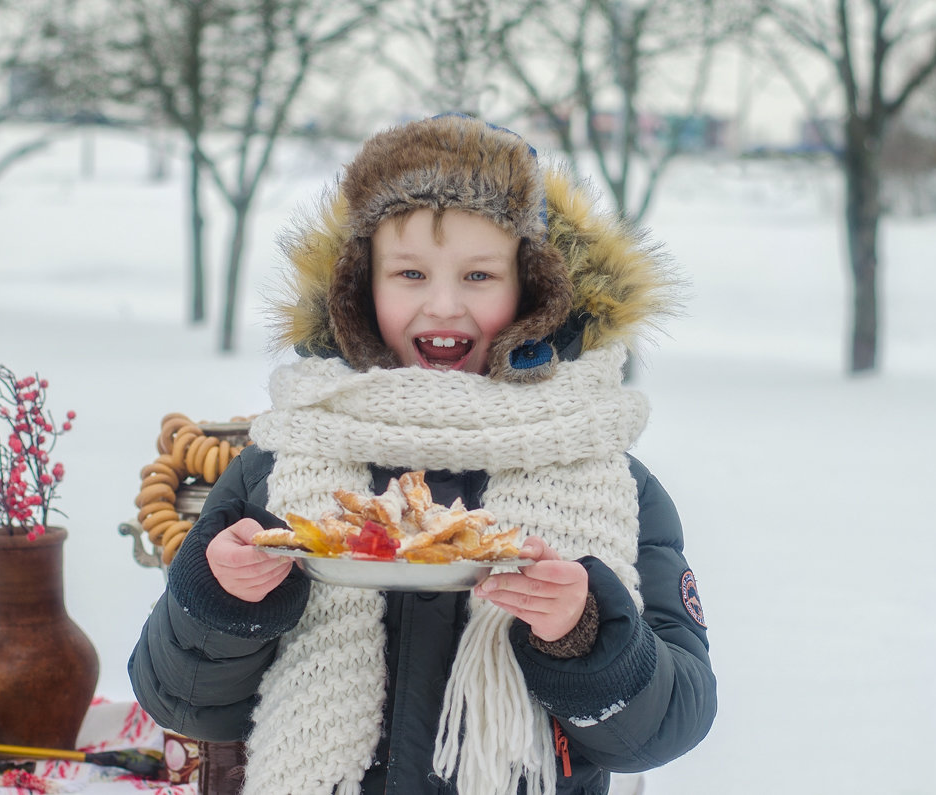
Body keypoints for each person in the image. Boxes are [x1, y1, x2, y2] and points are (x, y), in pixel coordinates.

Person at [129, 114, 716, 795]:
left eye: (478, 275)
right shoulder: (283, 462)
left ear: (533, 290)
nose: (443, 304)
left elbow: (668, 725)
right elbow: (181, 700)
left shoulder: (609, 478)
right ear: (359, 288)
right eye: (409, 272)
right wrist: (222, 599)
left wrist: (583, 633)